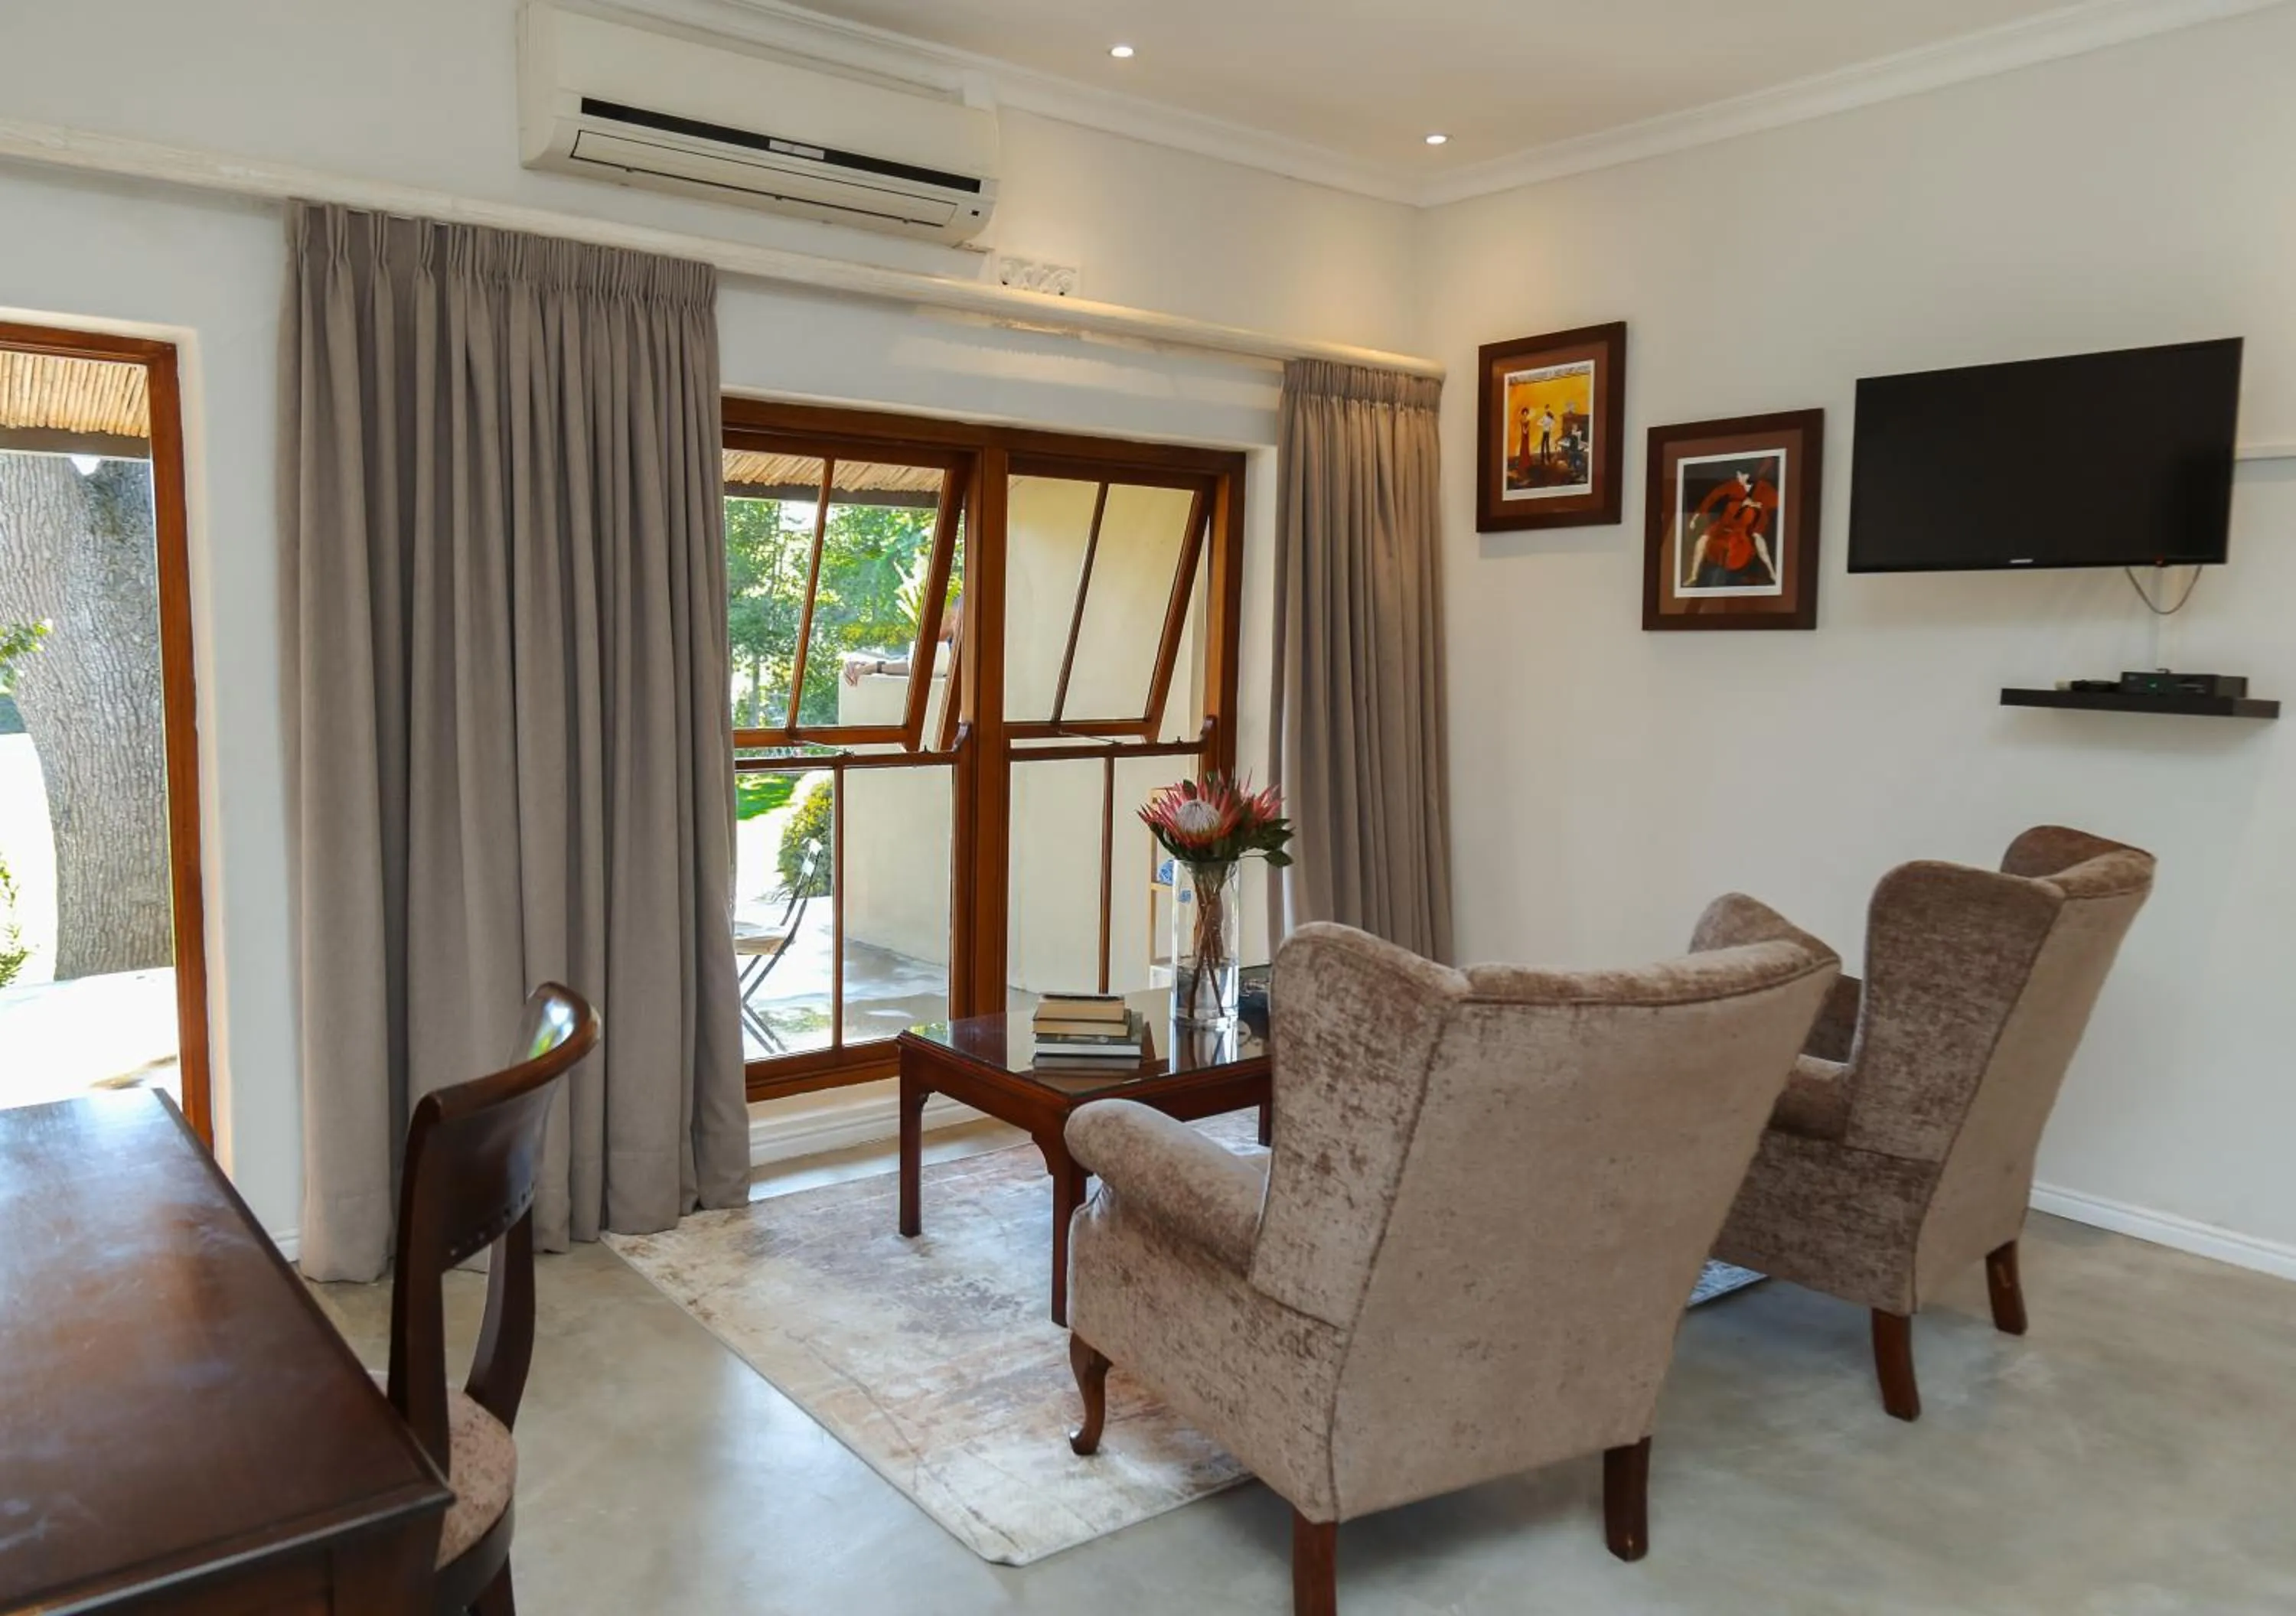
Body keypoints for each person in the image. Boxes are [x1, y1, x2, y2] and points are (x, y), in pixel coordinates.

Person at [1682, 466, 1781, 589]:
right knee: (1702, 540)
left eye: (1740, 474)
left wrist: (1754, 504)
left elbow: (1774, 503)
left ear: (1748, 476)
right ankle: (1693, 575)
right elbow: (1713, 496)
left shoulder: (1763, 488)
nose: (1737, 477)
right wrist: (1696, 516)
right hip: (1726, 522)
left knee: (1758, 538)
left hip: (1750, 523)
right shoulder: (1733, 485)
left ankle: (1772, 572)